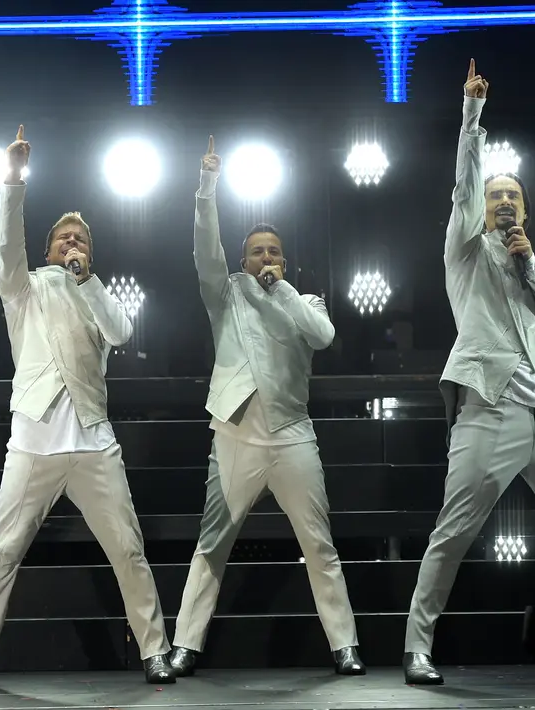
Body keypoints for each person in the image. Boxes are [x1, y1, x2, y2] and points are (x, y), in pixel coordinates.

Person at [402, 60, 535, 685]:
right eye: (497, 195)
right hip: (490, 407)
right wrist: (471, 116)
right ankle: (416, 646)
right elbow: (463, 185)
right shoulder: (464, 250)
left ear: (527, 213)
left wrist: (533, 267)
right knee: (456, 526)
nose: (504, 201)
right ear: (482, 208)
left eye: (514, 196)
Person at [0, 126, 174, 687]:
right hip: (33, 437)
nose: (71, 247)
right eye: (63, 241)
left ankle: (155, 650)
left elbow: (122, 332)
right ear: (49, 249)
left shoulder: (97, 294)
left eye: (80, 241)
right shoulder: (23, 290)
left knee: (128, 547)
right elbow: (7, 245)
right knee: (4, 548)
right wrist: (13, 180)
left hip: (92, 440)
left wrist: (89, 280)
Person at [167, 136, 364, 678]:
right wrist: (207, 187)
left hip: (293, 434)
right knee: (212, 543)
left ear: (284, 260)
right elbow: (204, 246)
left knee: (317, 542)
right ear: (244, 258)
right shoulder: (225, 291)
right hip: (236, 433)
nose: (266, 259)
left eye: (274, 252)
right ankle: (185, 642)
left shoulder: (304, 301)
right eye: (257, 252)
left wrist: (283, 292)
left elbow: (322, 337)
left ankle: (344, 644)